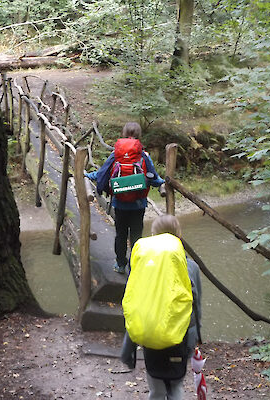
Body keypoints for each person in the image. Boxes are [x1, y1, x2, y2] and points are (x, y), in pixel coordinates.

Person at [129, 214, 202, 400]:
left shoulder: (142, 264)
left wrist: (130, 342)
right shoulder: (190, 266)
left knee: (157, 390)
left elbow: (134, 300)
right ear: (178, 236)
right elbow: (196, 305)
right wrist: (196, 338)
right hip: (181, 334)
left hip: (150, 332)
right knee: (176, 387)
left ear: (153, 235)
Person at [85, 122, 165, 274]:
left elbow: (103, 172)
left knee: (120, 234)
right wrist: (162, 182)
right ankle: (135, 266)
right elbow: (153, 177)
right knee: (136, 235)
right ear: (139, 135)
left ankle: (120, 264)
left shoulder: (116, 154)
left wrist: (88, 175)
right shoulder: (142, 154)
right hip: (139, 203)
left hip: (120, 202)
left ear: (123, 134)